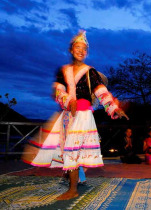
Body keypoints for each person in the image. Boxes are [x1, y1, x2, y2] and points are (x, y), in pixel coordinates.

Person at [22, 30, 128, 200]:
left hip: (83, 116)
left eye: (84, 49)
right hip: (67, 115)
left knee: (73, 149)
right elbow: (58, 91)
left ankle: (73, 189)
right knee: (67, 150)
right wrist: (67, 100)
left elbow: (101, 92)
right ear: (71, 50)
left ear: (86, 52)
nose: (81, 51)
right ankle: (72, 178)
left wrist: (114, 108)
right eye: (78, 47)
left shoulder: (90, 72)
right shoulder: (62, 71)